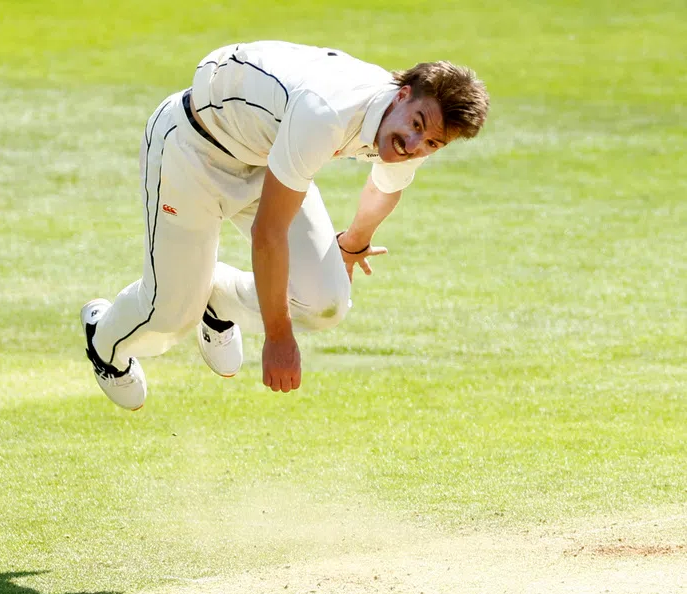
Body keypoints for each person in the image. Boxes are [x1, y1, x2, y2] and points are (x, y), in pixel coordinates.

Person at [80, 41, 489, 410]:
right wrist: (278, 336)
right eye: (417, 126)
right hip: (192, 150)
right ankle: (104, 342)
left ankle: (218, 301)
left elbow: (385, 188)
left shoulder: (415, 128)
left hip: (265, 157)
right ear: (402, 96)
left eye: (433, 144)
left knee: (328, 302)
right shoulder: (327, 112)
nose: (415, 146)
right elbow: (269, 232)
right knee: (169, 317)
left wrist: (352, 243)